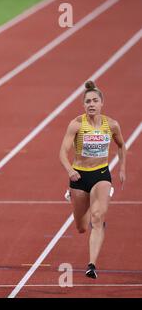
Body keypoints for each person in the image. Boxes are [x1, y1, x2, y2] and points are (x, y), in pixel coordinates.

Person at [59, 80, 126, 279]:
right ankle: (78, 200)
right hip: (79, 176)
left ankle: (91, 265)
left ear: (101, 103)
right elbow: (62, 152)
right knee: (81, 227)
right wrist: (70, 171)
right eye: (88, 101)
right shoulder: (77, 124)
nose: (91, 104)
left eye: (95, 100)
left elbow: (121, 146)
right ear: (83, 104)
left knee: (97, 217)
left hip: (101, 174)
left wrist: (122, 168)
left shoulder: (112, 125)